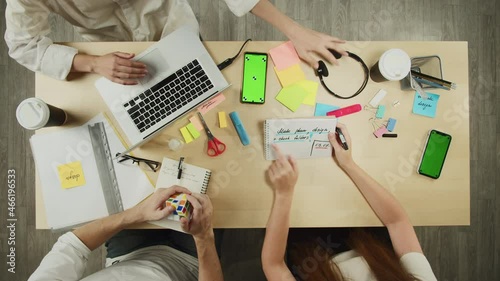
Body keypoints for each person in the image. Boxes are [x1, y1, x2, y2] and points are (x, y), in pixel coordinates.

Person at [5, 0, 347, 85]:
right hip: (108, 50)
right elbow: (23, 45)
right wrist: (90, 63)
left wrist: (295, 31)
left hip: (174, 25)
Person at [262, 124, 438, 281]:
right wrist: (348, 164)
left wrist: (284, 193)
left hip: (315, 258)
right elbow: (398, 223)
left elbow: (274, 266)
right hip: (368, 244)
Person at [28, 186, 222, 281]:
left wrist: (138, 213)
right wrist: (203, 236)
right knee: (215, 196)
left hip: (129, 254)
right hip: (190, 265)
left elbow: (73, 245)